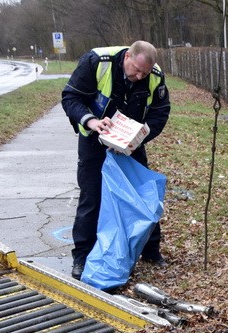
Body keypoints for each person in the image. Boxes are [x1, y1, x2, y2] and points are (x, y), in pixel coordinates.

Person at [61, 41, 171, 279]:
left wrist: (143, 134)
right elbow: (70, 98)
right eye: (136, 70)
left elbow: (161, 111)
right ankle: (82, 257)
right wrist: (91, 121)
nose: (139, 76)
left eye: (145, 72)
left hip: (130, 143)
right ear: (128, 57)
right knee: (92, 196)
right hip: (94, 138)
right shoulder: (96, 62)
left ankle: (151, 252)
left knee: (141, 194)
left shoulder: (154, 76)